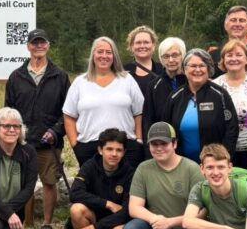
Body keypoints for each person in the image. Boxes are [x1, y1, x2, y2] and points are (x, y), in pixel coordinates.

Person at [120, 122, 206, 229]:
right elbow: (134, 207)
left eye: (164, 143)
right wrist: (156, 220)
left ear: (174, 144)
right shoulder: (144, 168)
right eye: (154, 144)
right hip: (155, 228)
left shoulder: (192, 169)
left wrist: (170, 223)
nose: (159, 148)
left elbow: (203, 212)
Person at [4, 28, 70, 229]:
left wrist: (56, 130)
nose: (38, 46)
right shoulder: (16, 76)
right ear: (28, 47)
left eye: (42, 42)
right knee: (23, 184)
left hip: (49, 142)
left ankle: (47, 225)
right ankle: (25, 224)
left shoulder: (60, 76)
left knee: (49, 182)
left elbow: (68, 111)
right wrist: (13, 135)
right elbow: (9, 111)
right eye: (35, 43)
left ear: (48, 46)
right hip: (22, 142)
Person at [63, 36, 145, 167]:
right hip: (89, 148)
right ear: (93, 54)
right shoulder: (80, 82)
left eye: (108, 52)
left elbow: (139, 112)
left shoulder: (127, 79)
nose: (104, 56)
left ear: (114, 56)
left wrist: (139, 139)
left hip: (125, 147)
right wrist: (75, 145)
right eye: (100, 51)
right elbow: (69, 116)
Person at [69, 128, 134, 229]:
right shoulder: (89, 166)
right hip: (95, 216)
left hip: (117, 222)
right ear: (100, 150)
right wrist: (107, 203)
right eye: (109, 149)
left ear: (124, 152)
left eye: (119, 150)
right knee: (76, 209)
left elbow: (126, 212)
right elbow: (75, 193)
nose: (114, 154)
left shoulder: (130, 173)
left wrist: (95, 228)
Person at [165, 48, 238, 161]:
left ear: (208, 69)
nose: (197, 70)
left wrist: (223, 159)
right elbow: (167, 130)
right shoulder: (175, 97)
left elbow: (231, 129)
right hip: (182, 163)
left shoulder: (220, 95)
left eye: (202, 66)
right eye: (193, 66)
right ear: (184, 69)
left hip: (214, 164)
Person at [214, 40, 247, 170]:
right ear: (223, 59)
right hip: (224, 150)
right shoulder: (215, 86)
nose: (234, 59)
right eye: (229, 55)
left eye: (238, 55)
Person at [144, 36, 187, 128]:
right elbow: (148, 119)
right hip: (164, 135)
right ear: (161, 59)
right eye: (166, 56)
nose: (171, 60)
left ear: (182, 55)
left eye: (175, 55)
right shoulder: (154, 86)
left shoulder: (192, 82)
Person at [211, 5, 247, 76]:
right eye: (233, 20)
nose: (237, 24)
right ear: (225, 26)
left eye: (241, 20)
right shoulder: (213, 55)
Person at [124, 25, 164, 101]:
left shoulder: (163, 71)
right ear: (132, 46)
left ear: (153, 46)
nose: (142, 46)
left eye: (146, 42)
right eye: (138, 42)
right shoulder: (122, 72)